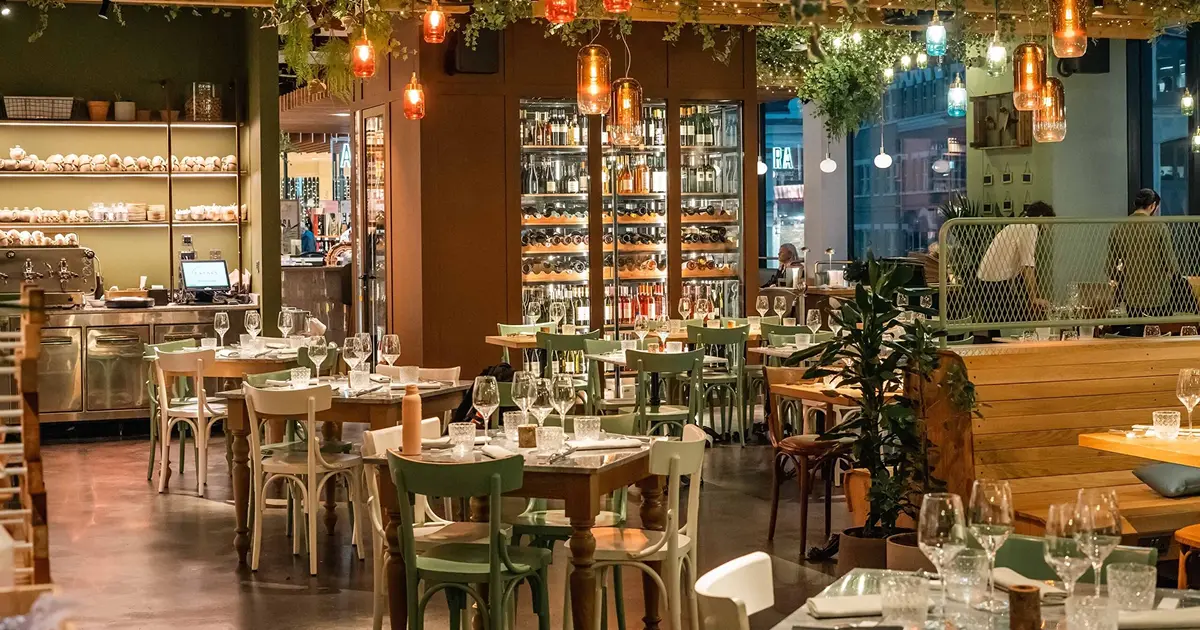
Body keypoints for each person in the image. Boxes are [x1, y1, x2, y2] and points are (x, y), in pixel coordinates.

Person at [1108, 188, 1184, 322]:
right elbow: (1171, 265)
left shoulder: (1118, 228)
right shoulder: (1159, 227)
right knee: (1158, 335)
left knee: (1136, 337)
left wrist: (1124, 276)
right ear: (1152, 206)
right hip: (1159, 296)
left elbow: (1109, 267)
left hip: (1132, 296)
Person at [975, 201, 1054, 324]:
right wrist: (1034, 298)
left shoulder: (1017, 225)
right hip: (997, 281)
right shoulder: (1030, 227)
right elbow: (1027, 265)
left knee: (996, 324)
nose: (1048, 229)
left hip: (985, 279)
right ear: (1042, 217)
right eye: (1048, 223)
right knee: (1012, 323)